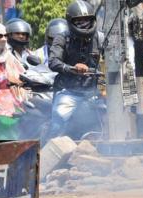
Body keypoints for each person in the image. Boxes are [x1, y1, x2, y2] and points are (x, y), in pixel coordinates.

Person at [46, 0, 103, 140]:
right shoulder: (62, 38)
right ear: (70, 21)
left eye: (87, 20)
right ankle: (46, 154)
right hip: (68, 92)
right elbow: (53, 61)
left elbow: (112, 61)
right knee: (58, 123)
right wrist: (72, 68)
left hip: (94, 92)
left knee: (110, 119)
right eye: (80, 22)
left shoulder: (100, 38)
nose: (84, 24)